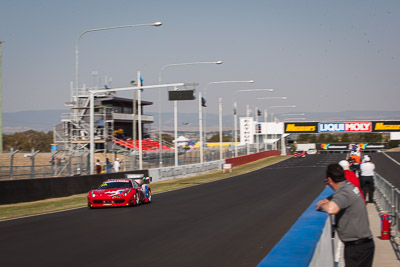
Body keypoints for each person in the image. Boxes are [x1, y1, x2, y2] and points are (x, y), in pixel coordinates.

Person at [316, 163, 374, 267]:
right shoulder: (349, 186)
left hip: (357, 248)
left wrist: (320, 207)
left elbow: (332, 209)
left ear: (329, 180)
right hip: (363, 245)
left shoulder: (344, 192)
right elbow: (336, 198)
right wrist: (328, 200)